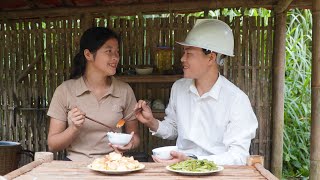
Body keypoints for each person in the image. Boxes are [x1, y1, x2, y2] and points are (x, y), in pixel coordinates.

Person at [135, 19, 258, 165]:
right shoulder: (179, 88)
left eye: (189, 54)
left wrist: (192, 161)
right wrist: (152, 122)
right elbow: (174, 128)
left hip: (218, 174)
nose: (182, 59)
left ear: (211, 58)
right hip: (180, 170)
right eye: (184, 53)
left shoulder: (236, 100)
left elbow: (238, 157)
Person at [47, 27, 140, 161]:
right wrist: (73, 128)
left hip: (114, 165)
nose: (116, 57)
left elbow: (135, 136)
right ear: (88, 55)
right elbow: (52, 145)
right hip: (76, 167)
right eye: (109, 51)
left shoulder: (124, 90)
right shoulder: (65, 91)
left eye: (117, 52)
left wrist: (130, 144)